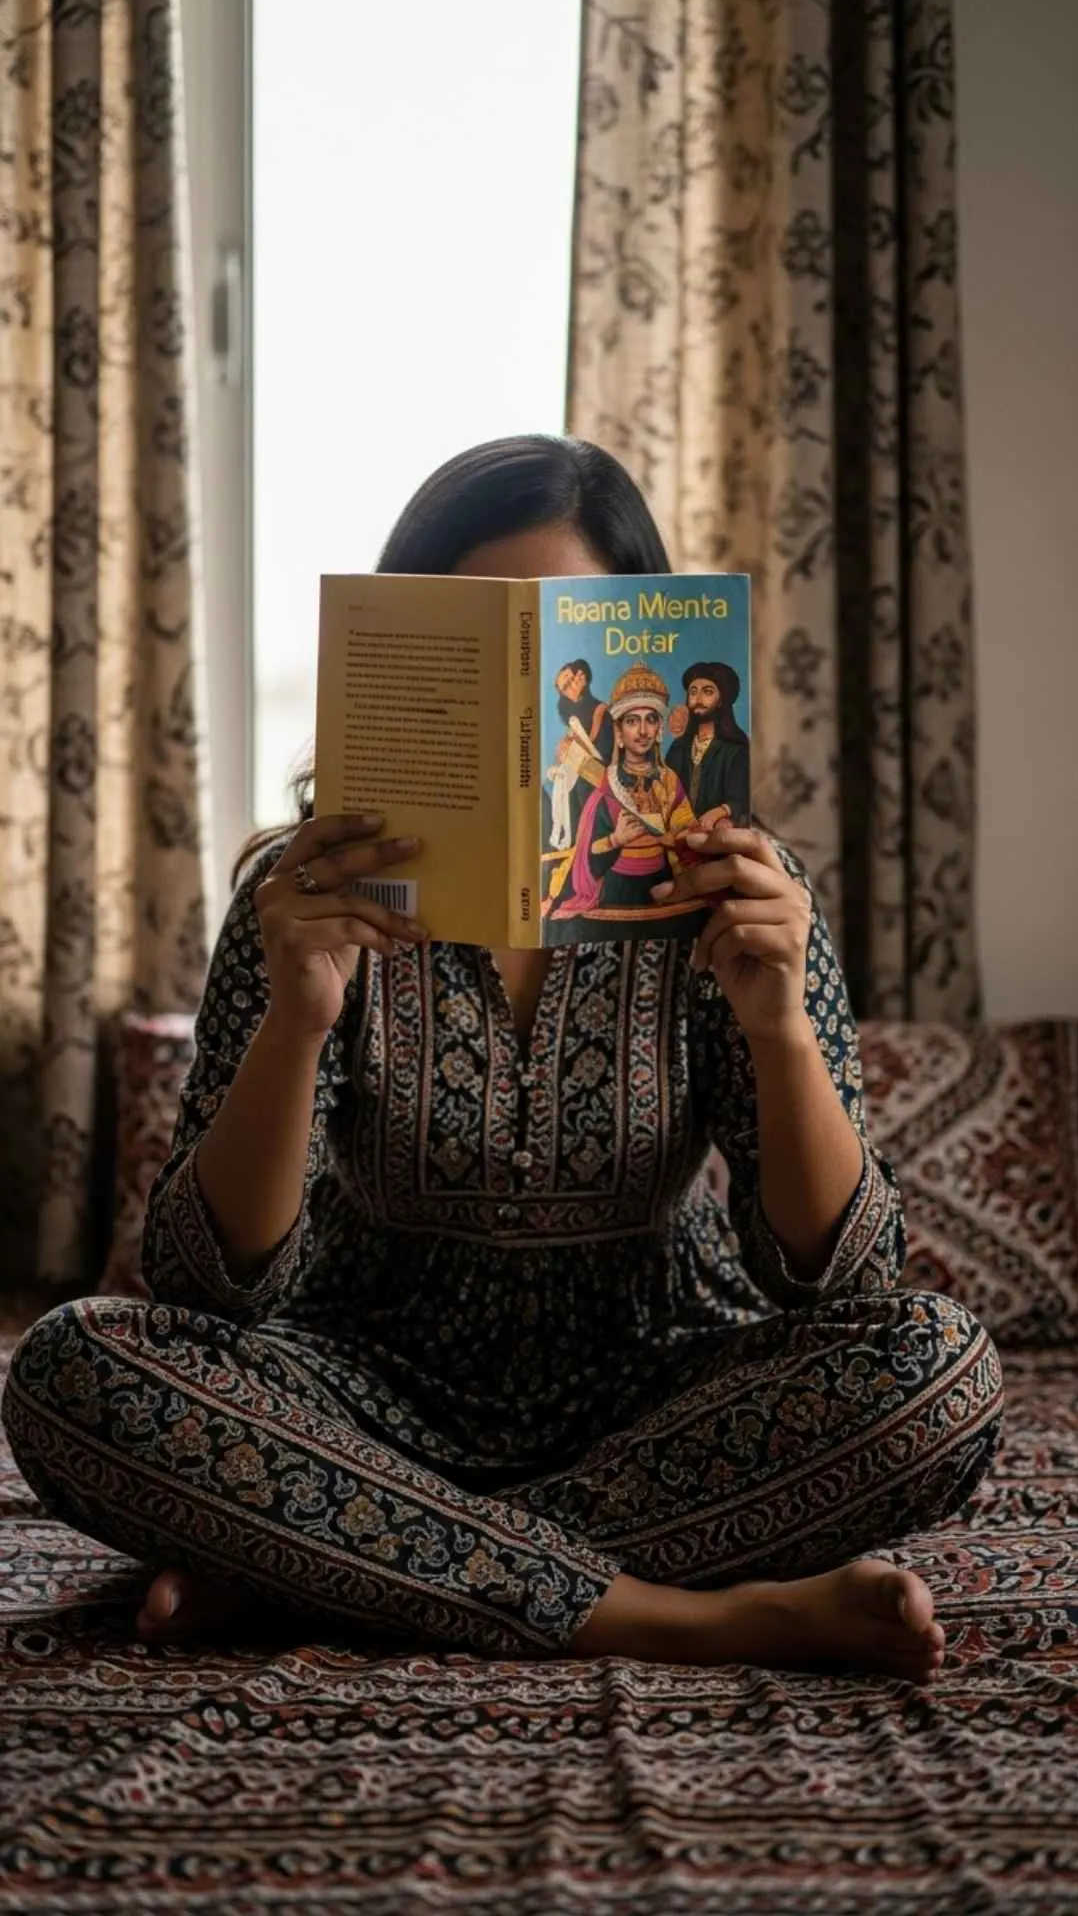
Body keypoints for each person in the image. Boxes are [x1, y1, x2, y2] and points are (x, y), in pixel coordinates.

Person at [1, 434, 1003, 1680]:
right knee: (69, 1367)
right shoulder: (304, 891)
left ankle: (315, 1561)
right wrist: (300, 1019)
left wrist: (780, 1025)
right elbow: (213, 1286)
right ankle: (692, 1615)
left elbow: (839, 1279)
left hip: (654, 1390)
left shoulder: (738, 893)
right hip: (361, 1388)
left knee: (938, 1372)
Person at [544, 662, 698, 935]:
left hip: (662, 883)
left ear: (659, 728)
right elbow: (588, 855)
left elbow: (686, 828)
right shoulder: (606, 785)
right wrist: (617, 839)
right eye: (631, 721)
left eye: (650, 720)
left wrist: (677, 837)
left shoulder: (669, 780)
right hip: (617, 887)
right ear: (619, 733)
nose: (642, 731)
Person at [665, 661, 750, 824]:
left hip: (717, 829)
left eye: (708, 692)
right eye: (693, 692)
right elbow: (666, 791)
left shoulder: (735, 749)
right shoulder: (679, 748)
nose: (698, 698)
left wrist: (721, 811)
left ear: (720, 700)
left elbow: (740, 797)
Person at [543, 658, 613, 854]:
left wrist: (575, 751)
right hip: (581, 773)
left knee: (581, 788)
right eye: (564, 687)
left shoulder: (600, 711)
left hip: (601, 775)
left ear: (580, 676)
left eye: (570, 679)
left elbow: (604, 752)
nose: (569, 687)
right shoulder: (572, 717)